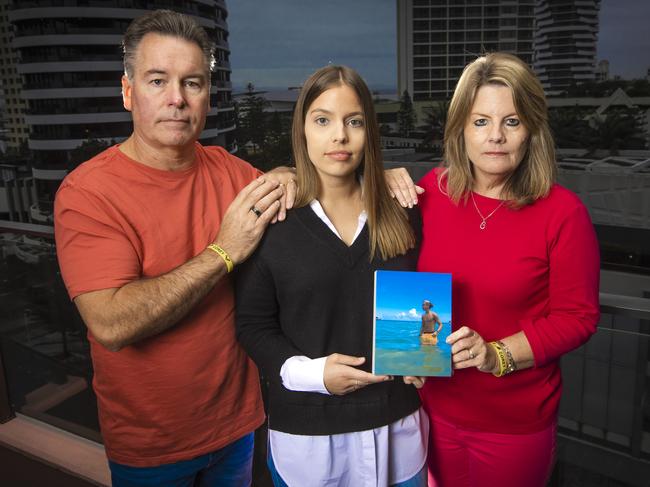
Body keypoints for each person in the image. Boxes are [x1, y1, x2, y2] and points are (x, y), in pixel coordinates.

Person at [54, 10, 297, 486]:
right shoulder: (87, 193)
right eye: (157, 80)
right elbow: (111, 322)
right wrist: (223, 252)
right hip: (151, 447)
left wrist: (292, 176)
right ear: (128, 92)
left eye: (192, 83)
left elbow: (304, 198)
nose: (176, 100)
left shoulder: (228, 170)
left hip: (238, 425)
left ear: (207, 95)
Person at [407, 52, 600, 487]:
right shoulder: (429, 194)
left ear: (532, 130)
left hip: (513, 424)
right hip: (428, 410)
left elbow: (579, 317)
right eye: (480, 122)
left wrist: (497, 354)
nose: (495, 136)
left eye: (511, 121)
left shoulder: (564, 213)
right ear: (460, 128)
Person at [235, 65, 428, 487]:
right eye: (322, 120)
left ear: (369, 132)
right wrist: (313, 375)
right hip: (309, 443)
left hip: (398, 433)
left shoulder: (403, 212)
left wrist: (421, 357)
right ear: (302, 130)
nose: (339, 135)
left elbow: (415, 309)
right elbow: (252, 325)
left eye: (353, 121)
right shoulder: (272, 219)